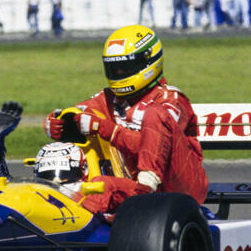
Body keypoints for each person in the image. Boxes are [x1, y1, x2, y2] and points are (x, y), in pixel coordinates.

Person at [43, 25, 208, 213]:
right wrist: (57, 123)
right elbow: (79, 112)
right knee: (98, 187)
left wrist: (107, 129)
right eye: (114, 68)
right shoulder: (109, 99)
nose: (119, 74)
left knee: (154, 115)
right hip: (136, 188)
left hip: (181, 188)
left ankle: (146, 189)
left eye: (125, 67)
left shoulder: (172, 100)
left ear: (149, 61)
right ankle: (57, 219)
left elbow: (157, 148)